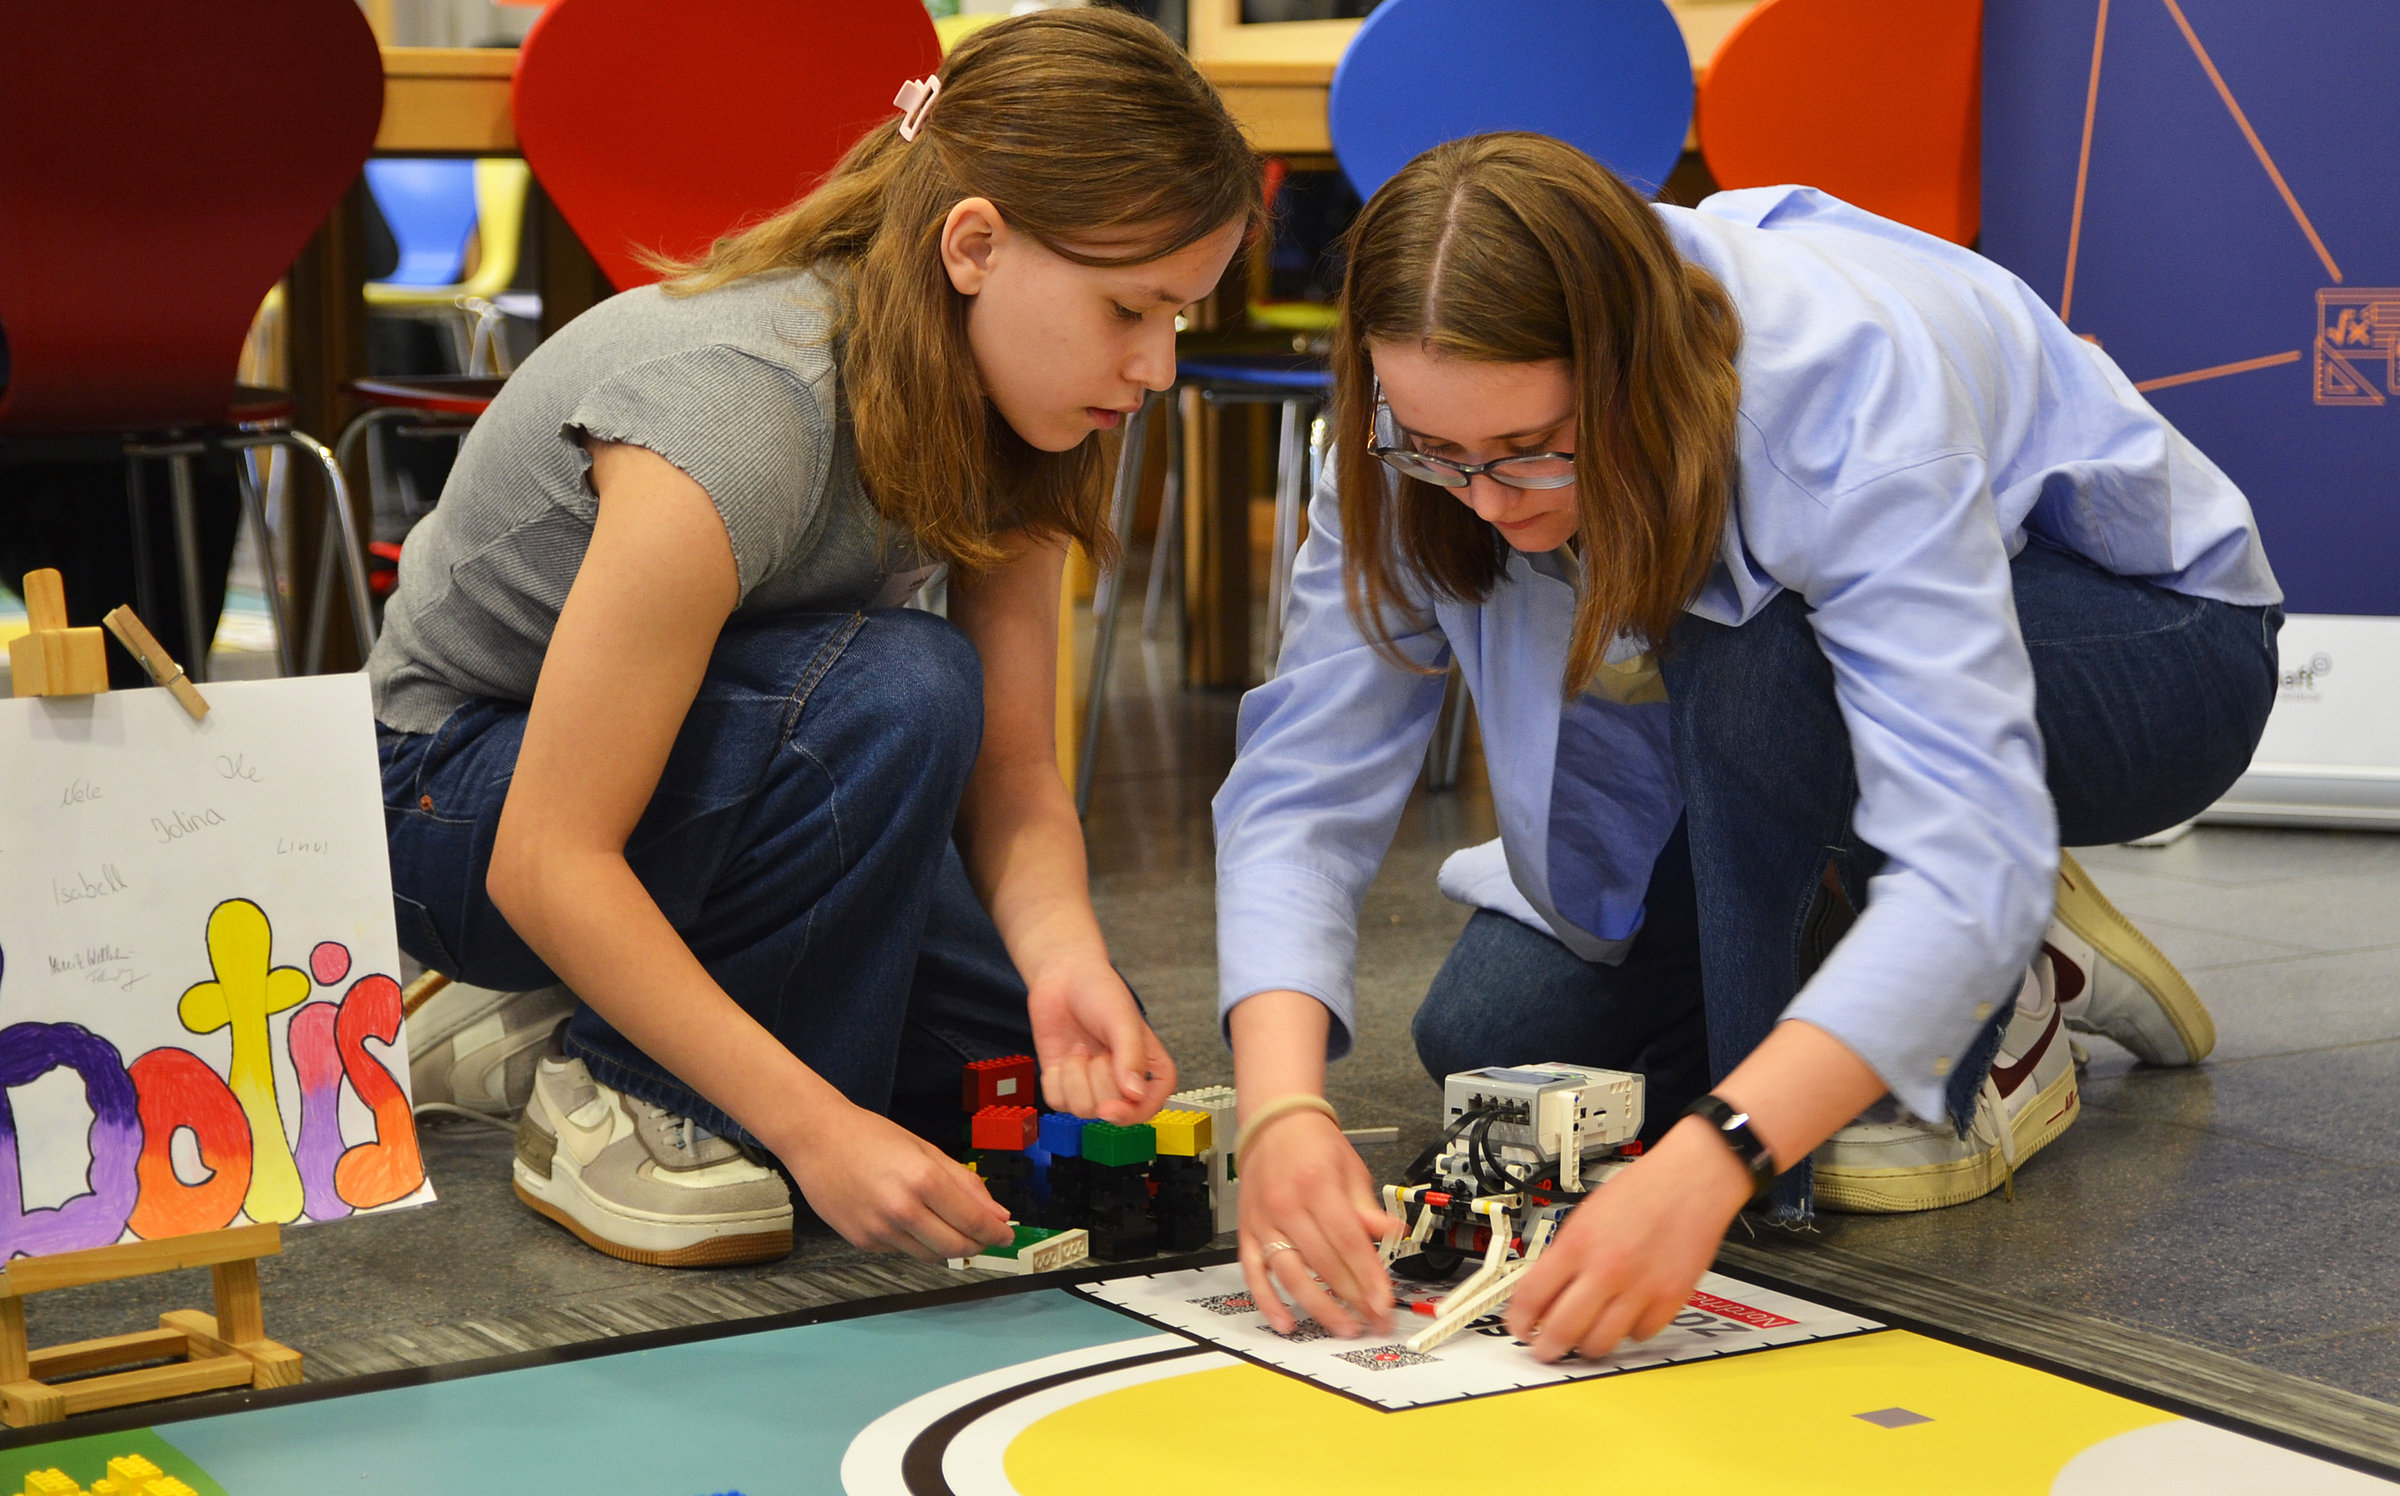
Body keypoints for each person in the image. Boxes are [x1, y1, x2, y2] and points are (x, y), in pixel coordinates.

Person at [1214, 133, 2278, 1360]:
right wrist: (1284, 1103)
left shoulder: (1841, 381)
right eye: (1440, 453)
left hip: (2153, 649)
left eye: (1531, 449)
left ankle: (2003, 1001)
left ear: (1627, 373)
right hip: (1747, 726)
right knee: (1497, 1043)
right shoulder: (1412, 430)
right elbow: (1301, 786)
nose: (1488, 501)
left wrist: (1719, 1156)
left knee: (1758, 649)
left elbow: (1968, 845)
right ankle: (1881, 922)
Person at [368, 11, 1258, 1268]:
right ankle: (626, 1088)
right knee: (905, 687)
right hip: (454, 800)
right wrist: (815, 1122)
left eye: (1181, 316)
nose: (1158, 364)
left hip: (712, 761)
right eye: (1133, 308)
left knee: (1004, 1069)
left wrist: (1065, 960)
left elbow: (1009, 772)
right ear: (976, 245)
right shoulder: (742, 409)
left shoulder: (1045, 403)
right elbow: (546, 858)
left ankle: (560, 1007)